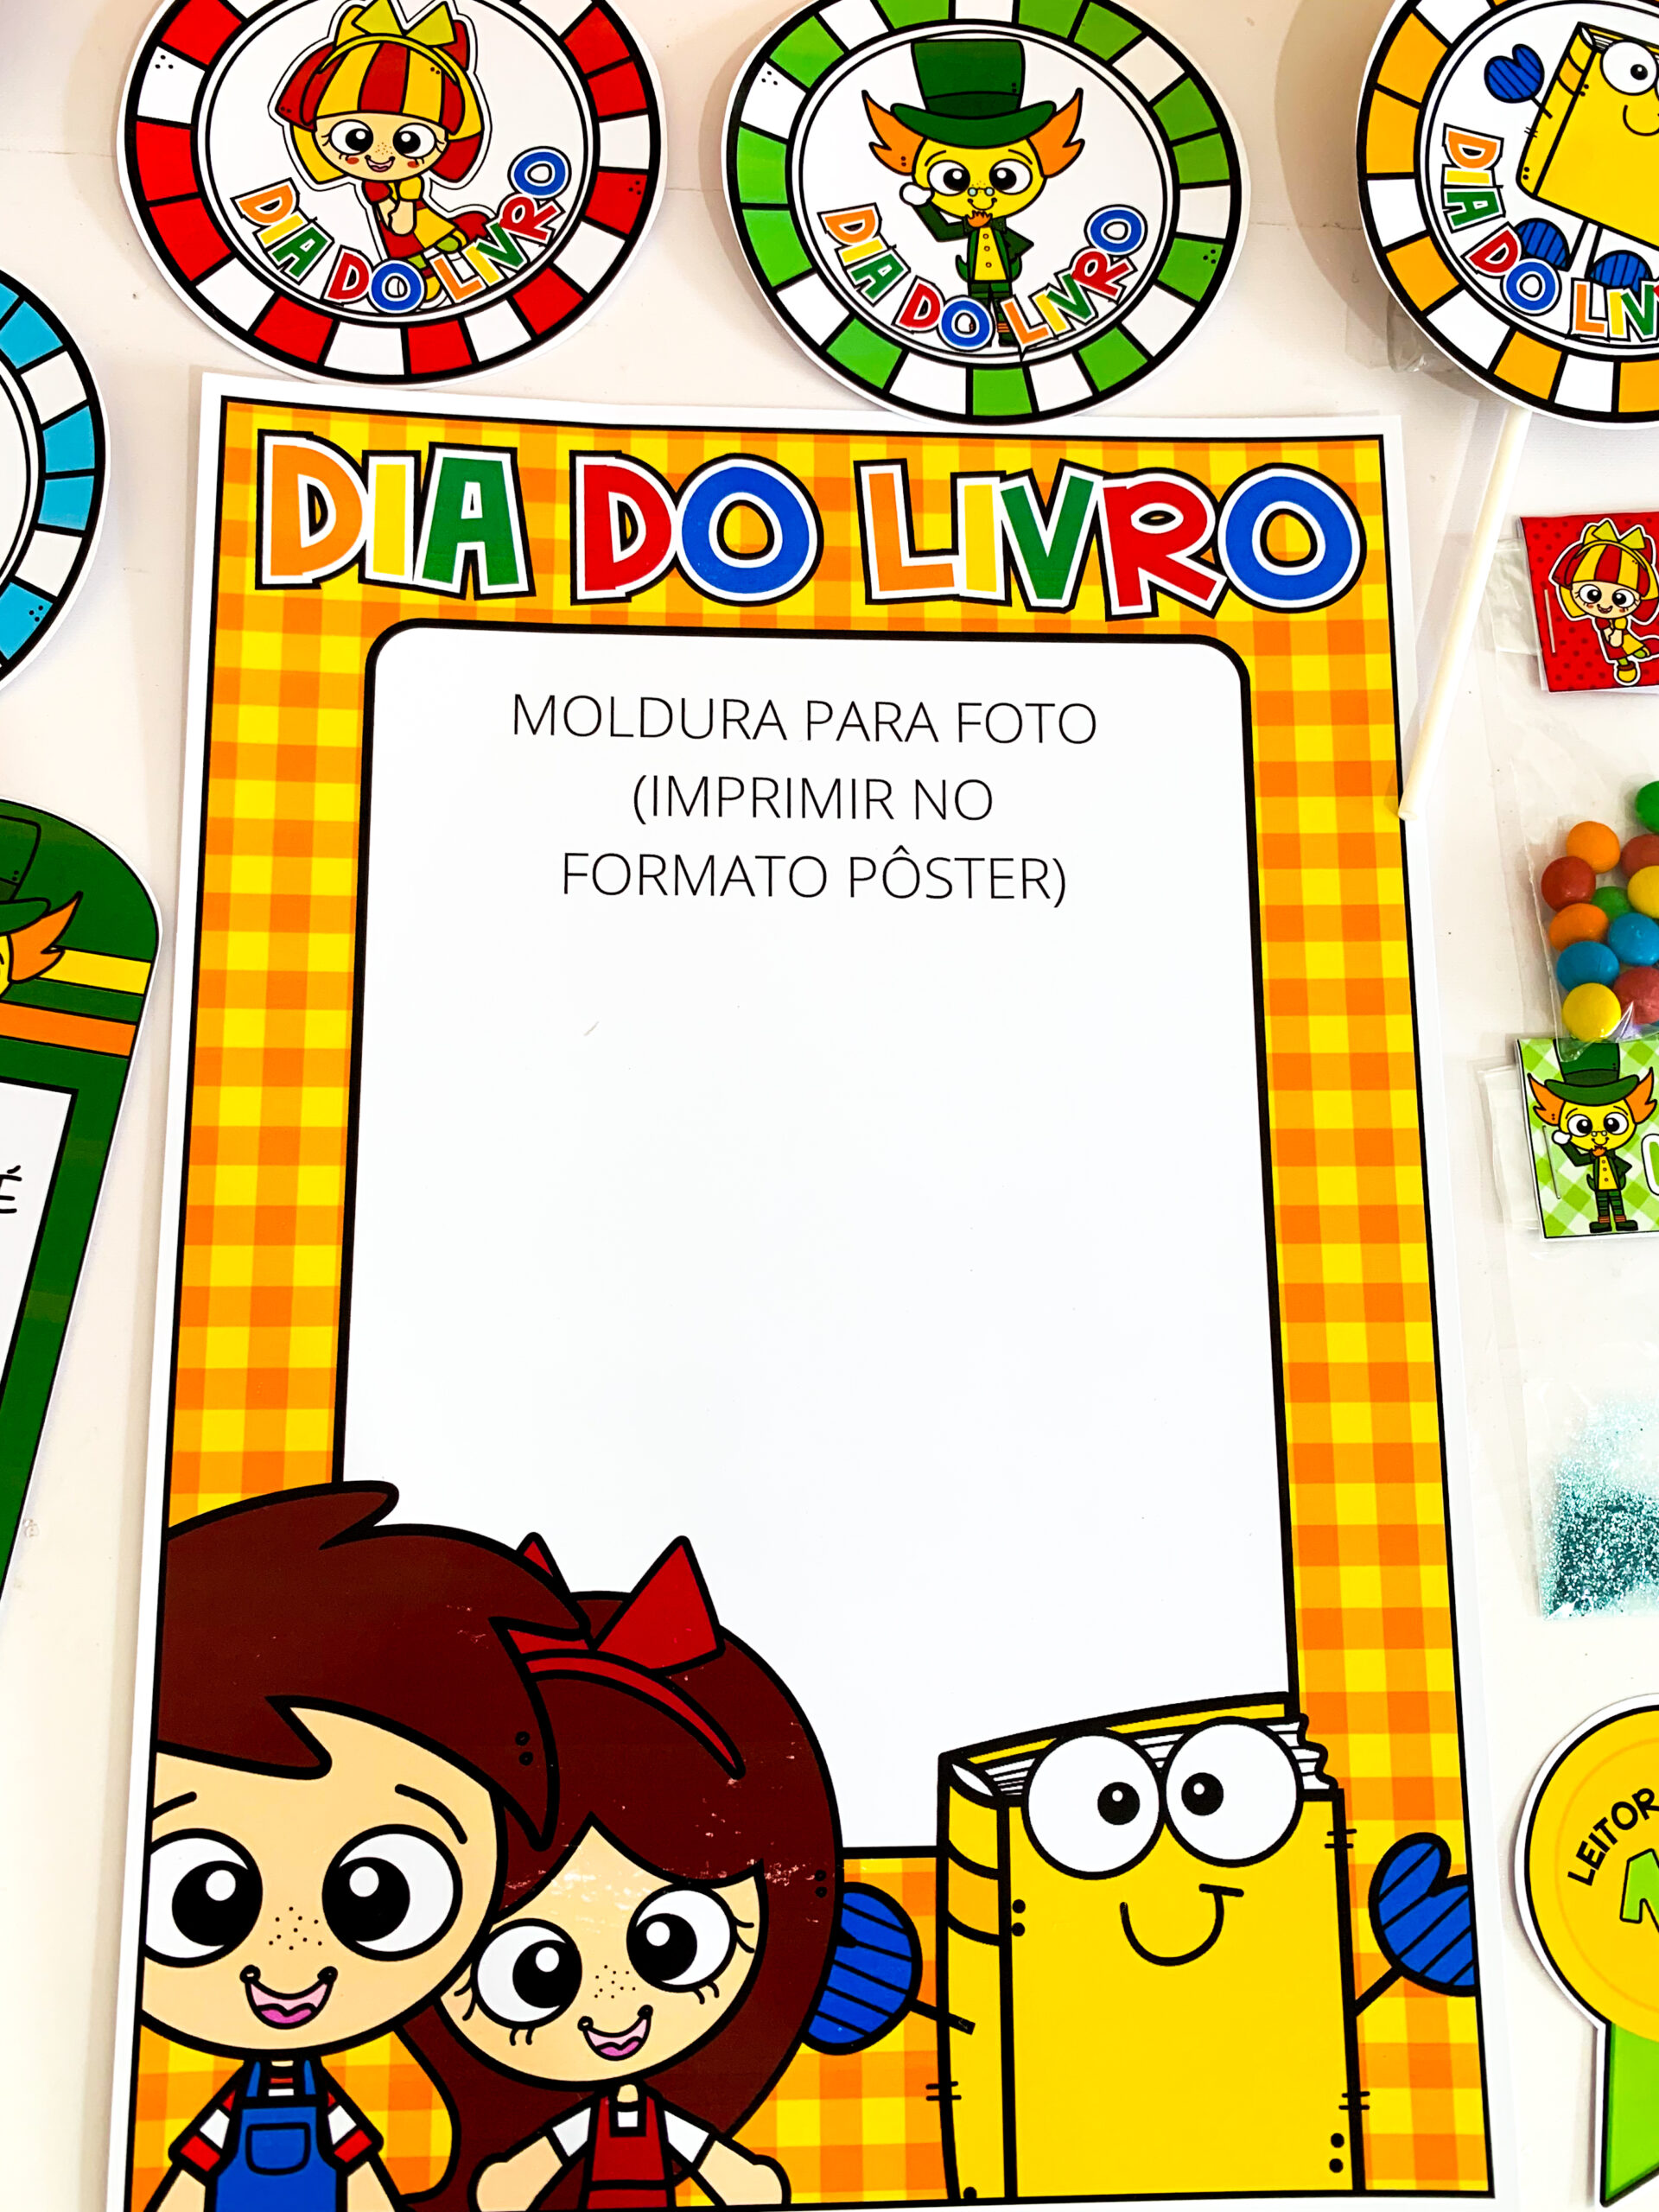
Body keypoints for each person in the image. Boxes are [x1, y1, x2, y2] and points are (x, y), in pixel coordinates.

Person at [142, 1483, 582, 2210]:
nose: (290, 1955)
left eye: (378, 1896)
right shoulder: (225, 2109)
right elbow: (191, 2178)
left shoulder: (335, 2106)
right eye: (203, 1903)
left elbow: (364, 2178)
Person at [400, 1536, 840, 2209]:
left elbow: (720, 2166)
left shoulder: (674, 2113)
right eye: (534, 1975)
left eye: (672, 1945)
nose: (613, 2009)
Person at [273, 0, 491, 302]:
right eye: (355, 138)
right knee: (414, 249)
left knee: (441, 236)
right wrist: (409, 195)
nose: (381, 155)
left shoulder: (398, 181)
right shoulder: (376, 186)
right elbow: (400, 225)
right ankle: (425, 268)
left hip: (417, 223)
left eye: (410, 142)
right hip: (402, 239)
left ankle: (444, 245)